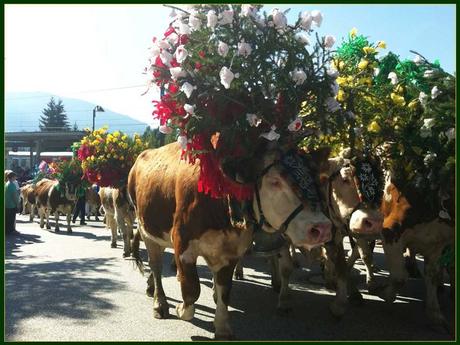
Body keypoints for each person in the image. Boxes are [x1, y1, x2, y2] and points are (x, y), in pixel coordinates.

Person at [5, 171, 20, 235]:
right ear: (12, 177)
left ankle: (7, 230)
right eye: (15, 176)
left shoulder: (7, 184)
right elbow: (15, 196)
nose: (16, 178)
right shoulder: (12, 185)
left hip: (6, 203)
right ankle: (10, 231)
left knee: (7, 218)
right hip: (11, 204)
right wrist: (17, 204)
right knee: (11, 218)